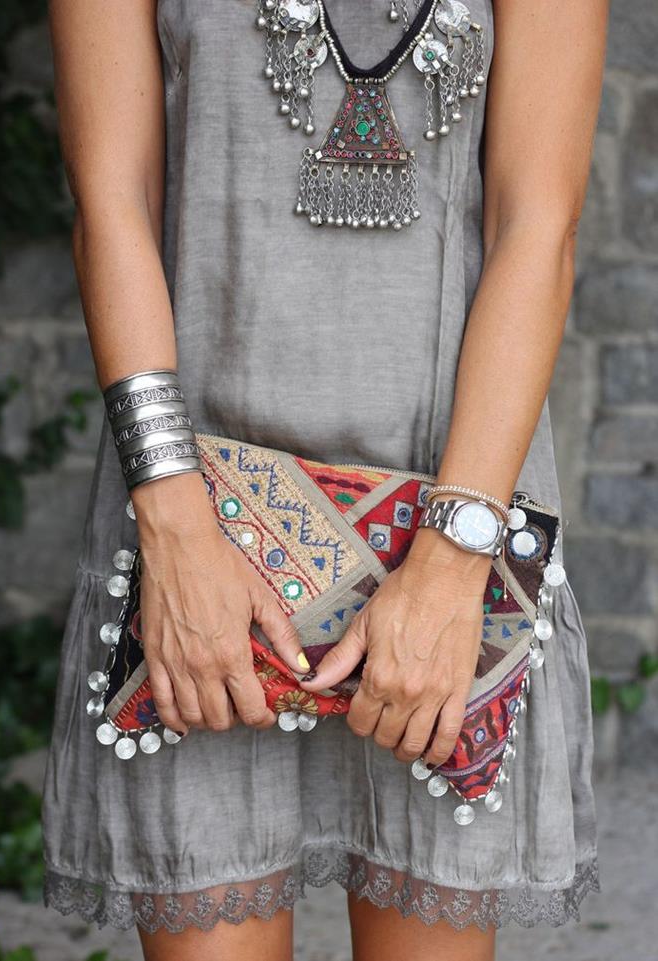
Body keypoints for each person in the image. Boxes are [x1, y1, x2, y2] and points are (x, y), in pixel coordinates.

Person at [42, 1, 607, 959]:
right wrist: (177, 530)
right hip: (196, 520)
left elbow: (536, 224)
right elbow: (111, 201)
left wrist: (452, 561)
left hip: (448, 523)